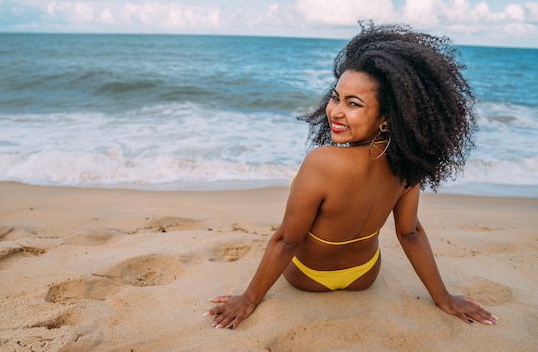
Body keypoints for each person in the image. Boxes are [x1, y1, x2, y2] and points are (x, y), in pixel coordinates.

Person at [204, 22, 498, 329]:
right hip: (365, 275)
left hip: (308, 277)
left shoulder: (322, 162)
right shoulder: (408, 163)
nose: (335, 112)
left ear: (386, 117)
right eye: (336, 97)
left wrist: (249, 299)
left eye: (353, 104)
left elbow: (286, 242)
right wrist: (443, 298)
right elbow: (409, 233)